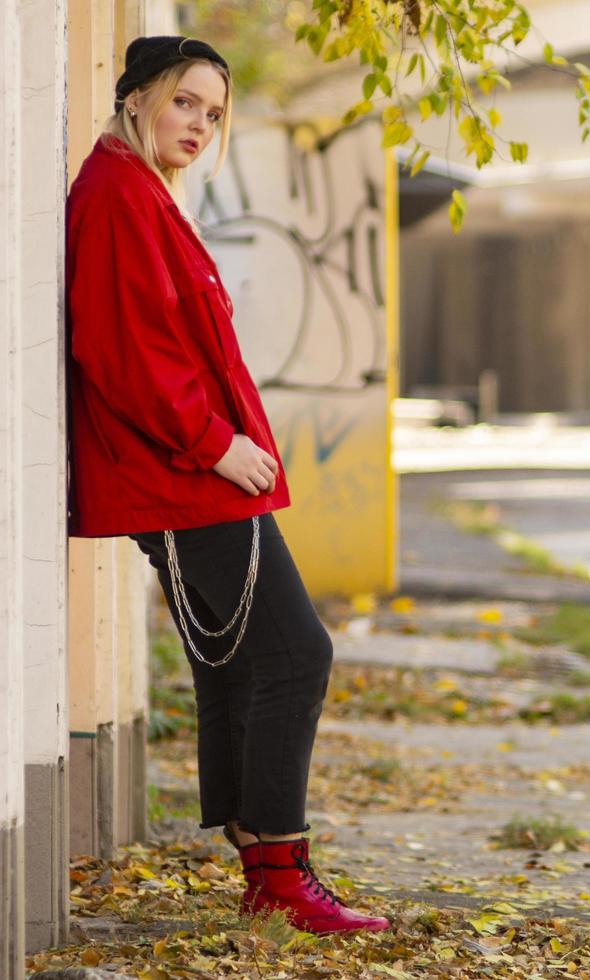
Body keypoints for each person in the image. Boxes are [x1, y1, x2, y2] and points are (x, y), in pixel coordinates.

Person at [65, 35, 388, 935]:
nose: (200, 124)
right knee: (295, 655)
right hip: (184, 477)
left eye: (213, 112)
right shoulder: (118, 197)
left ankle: (265, 863)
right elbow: (122, 352)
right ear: (135, 97)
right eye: (184, 103)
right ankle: (280, 872)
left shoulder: (138, 191)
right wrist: (214, 445)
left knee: (241, 662)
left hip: (189, 475)